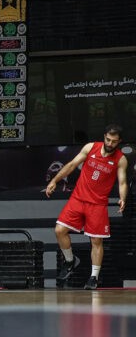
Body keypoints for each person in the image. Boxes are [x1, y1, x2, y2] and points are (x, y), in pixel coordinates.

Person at [44, 124, 128, 290]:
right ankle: (70, 261)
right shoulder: (91, 147)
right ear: (104, 136)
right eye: (108, 139)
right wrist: (54, 181)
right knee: (59, 230)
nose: (110, 143)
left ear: (119, 142)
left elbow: (123, 182)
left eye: (114, 141)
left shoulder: (121, 159)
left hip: (97, 204)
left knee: (96, 241)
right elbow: (71, 165)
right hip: (78, 198)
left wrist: (122, 198)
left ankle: (93, 278)